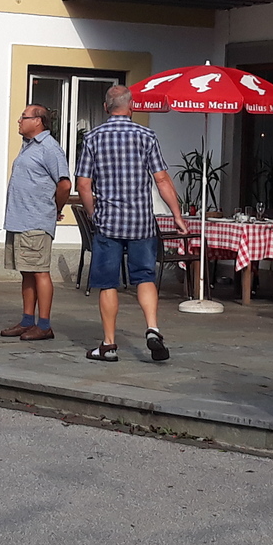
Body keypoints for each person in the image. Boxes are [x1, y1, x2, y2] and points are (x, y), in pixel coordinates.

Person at [76, 85, 188, 363]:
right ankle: (152, 328)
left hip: (108, 222)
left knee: (107, 283)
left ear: (106, 107)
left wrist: (92, 214)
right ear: (132, 106)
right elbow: (161, 179)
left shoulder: (92, 138)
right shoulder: (147, 136)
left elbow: (84, 184)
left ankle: (109, 345)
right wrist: (176, 214)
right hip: (141, 223)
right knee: (145, 277)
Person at [0, 103, 71, 342]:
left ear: (38, 121)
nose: (19, 121)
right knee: (27, 272)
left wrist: (56, 208)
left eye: (24, 117)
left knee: (40, 271)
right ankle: (27, 321)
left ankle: (44, 325)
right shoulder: (28, 146)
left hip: (36, 220)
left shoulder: (49, 148)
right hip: (20, 220)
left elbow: (64, 184)